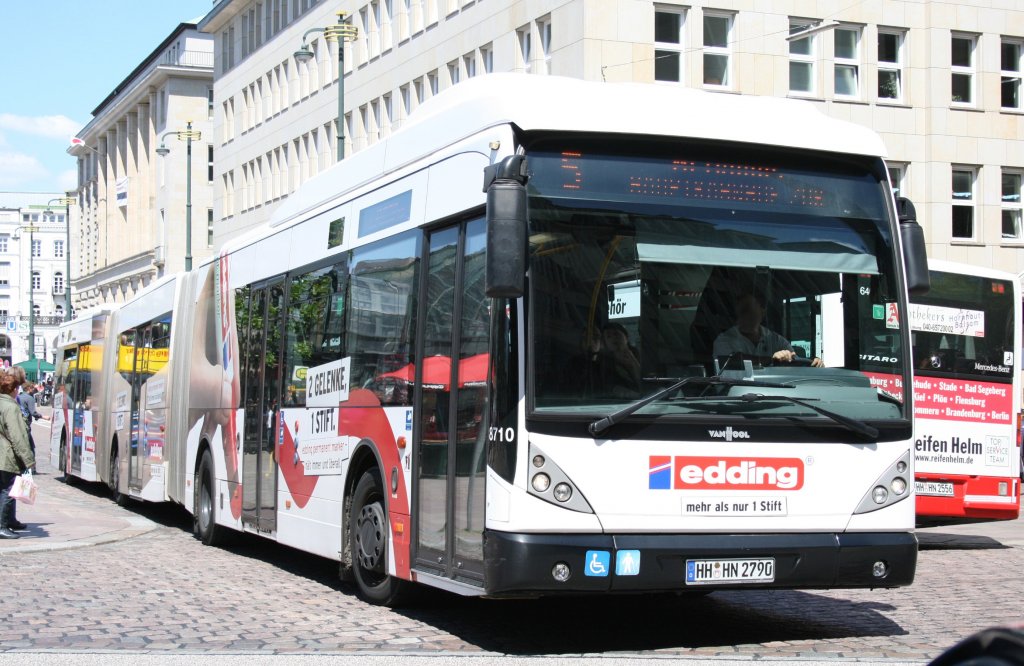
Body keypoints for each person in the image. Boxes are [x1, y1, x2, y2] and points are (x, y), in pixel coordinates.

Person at [713, 292, 823, 367]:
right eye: (741, 310)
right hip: (736, 397)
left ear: (762, 311)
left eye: (748, 308)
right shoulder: (724, 340)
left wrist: (813, 362)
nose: (744, 314)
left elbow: (794, 362)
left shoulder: (777, 340)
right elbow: (733, 360)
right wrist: (773, 360)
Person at [0, 366, 35, 539]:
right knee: (8, 489)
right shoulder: (10, 407)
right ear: (13, 390)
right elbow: (18, 435)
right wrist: (28, 460)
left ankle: (8, 522)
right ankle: (2, 526)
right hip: (5, 454)